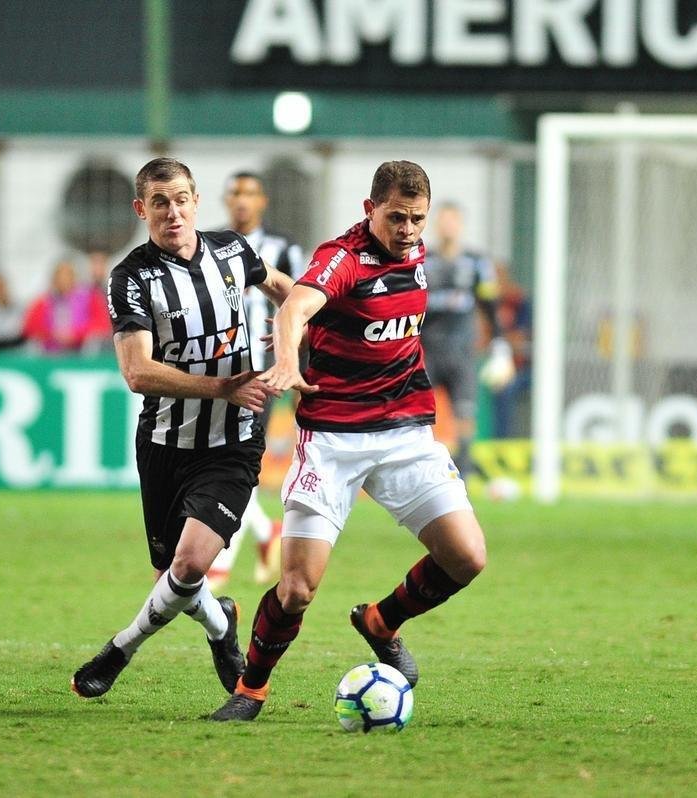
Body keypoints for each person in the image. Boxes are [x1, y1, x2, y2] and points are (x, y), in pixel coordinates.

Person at [211, 160, 487, 722]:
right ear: (369, 210)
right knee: (296, 590)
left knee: (467, 556)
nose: (408, 230)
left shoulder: (416, 253)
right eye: (396, 218)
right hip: (333, 439)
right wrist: (288, 358)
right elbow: (296, 306)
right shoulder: (341, 258)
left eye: (417, 219)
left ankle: (382, 621)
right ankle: (251, 689)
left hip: (406, 432)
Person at [70, 157, 296, 706]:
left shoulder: (233, 252)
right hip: (164, 444)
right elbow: (137, 372)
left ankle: (118, 650)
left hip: (233, 442)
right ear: (140, 209)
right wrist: (222, 386)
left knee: (191, 565)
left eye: (181, 199)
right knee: (171, 579)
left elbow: (288, 291)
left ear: (196, 200)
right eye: (160, 202)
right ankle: (223, 628)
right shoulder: (130, 277)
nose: (173, 212)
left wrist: (294, 330)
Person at [206, 171, 306, 591]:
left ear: (262, 200)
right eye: (235, 194)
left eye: (249, 193)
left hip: (263, 368)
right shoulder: (209, 246)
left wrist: (296, 361)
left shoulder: (283, 248)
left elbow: (302, 301)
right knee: (218, 459)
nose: (241, 201)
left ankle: (220, 562)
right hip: (216, 366)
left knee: (233, 461)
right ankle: (266, 533)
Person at [422, 202, 498, 477]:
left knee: (464, 414)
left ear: (461, 225)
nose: (447, 227)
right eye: (443, 221)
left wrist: (498, 343)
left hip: (462, 350)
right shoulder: (422, 258)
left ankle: (463, 472)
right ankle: (424, 471)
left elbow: (489, 304)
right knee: (421, 413)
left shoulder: (476, 261)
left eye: (452, 221)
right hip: (427, 348)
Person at [22, 259, 110, 354]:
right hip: (49, 350)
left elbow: (102, 324)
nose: (64, 280)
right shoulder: (43, 302)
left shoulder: (90, 298)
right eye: (60, 277)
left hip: (81, 349)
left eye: (67, 276)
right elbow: (29, 328)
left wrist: (76, 334)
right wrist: (52, 334)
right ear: (54, 280)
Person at [489, 263, 532, 438]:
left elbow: (520, 338)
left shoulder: (519, 302)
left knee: (505, 389)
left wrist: (496, 340)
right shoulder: (486, 304)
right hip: (487, 365)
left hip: (522, 368)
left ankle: (502, 441)